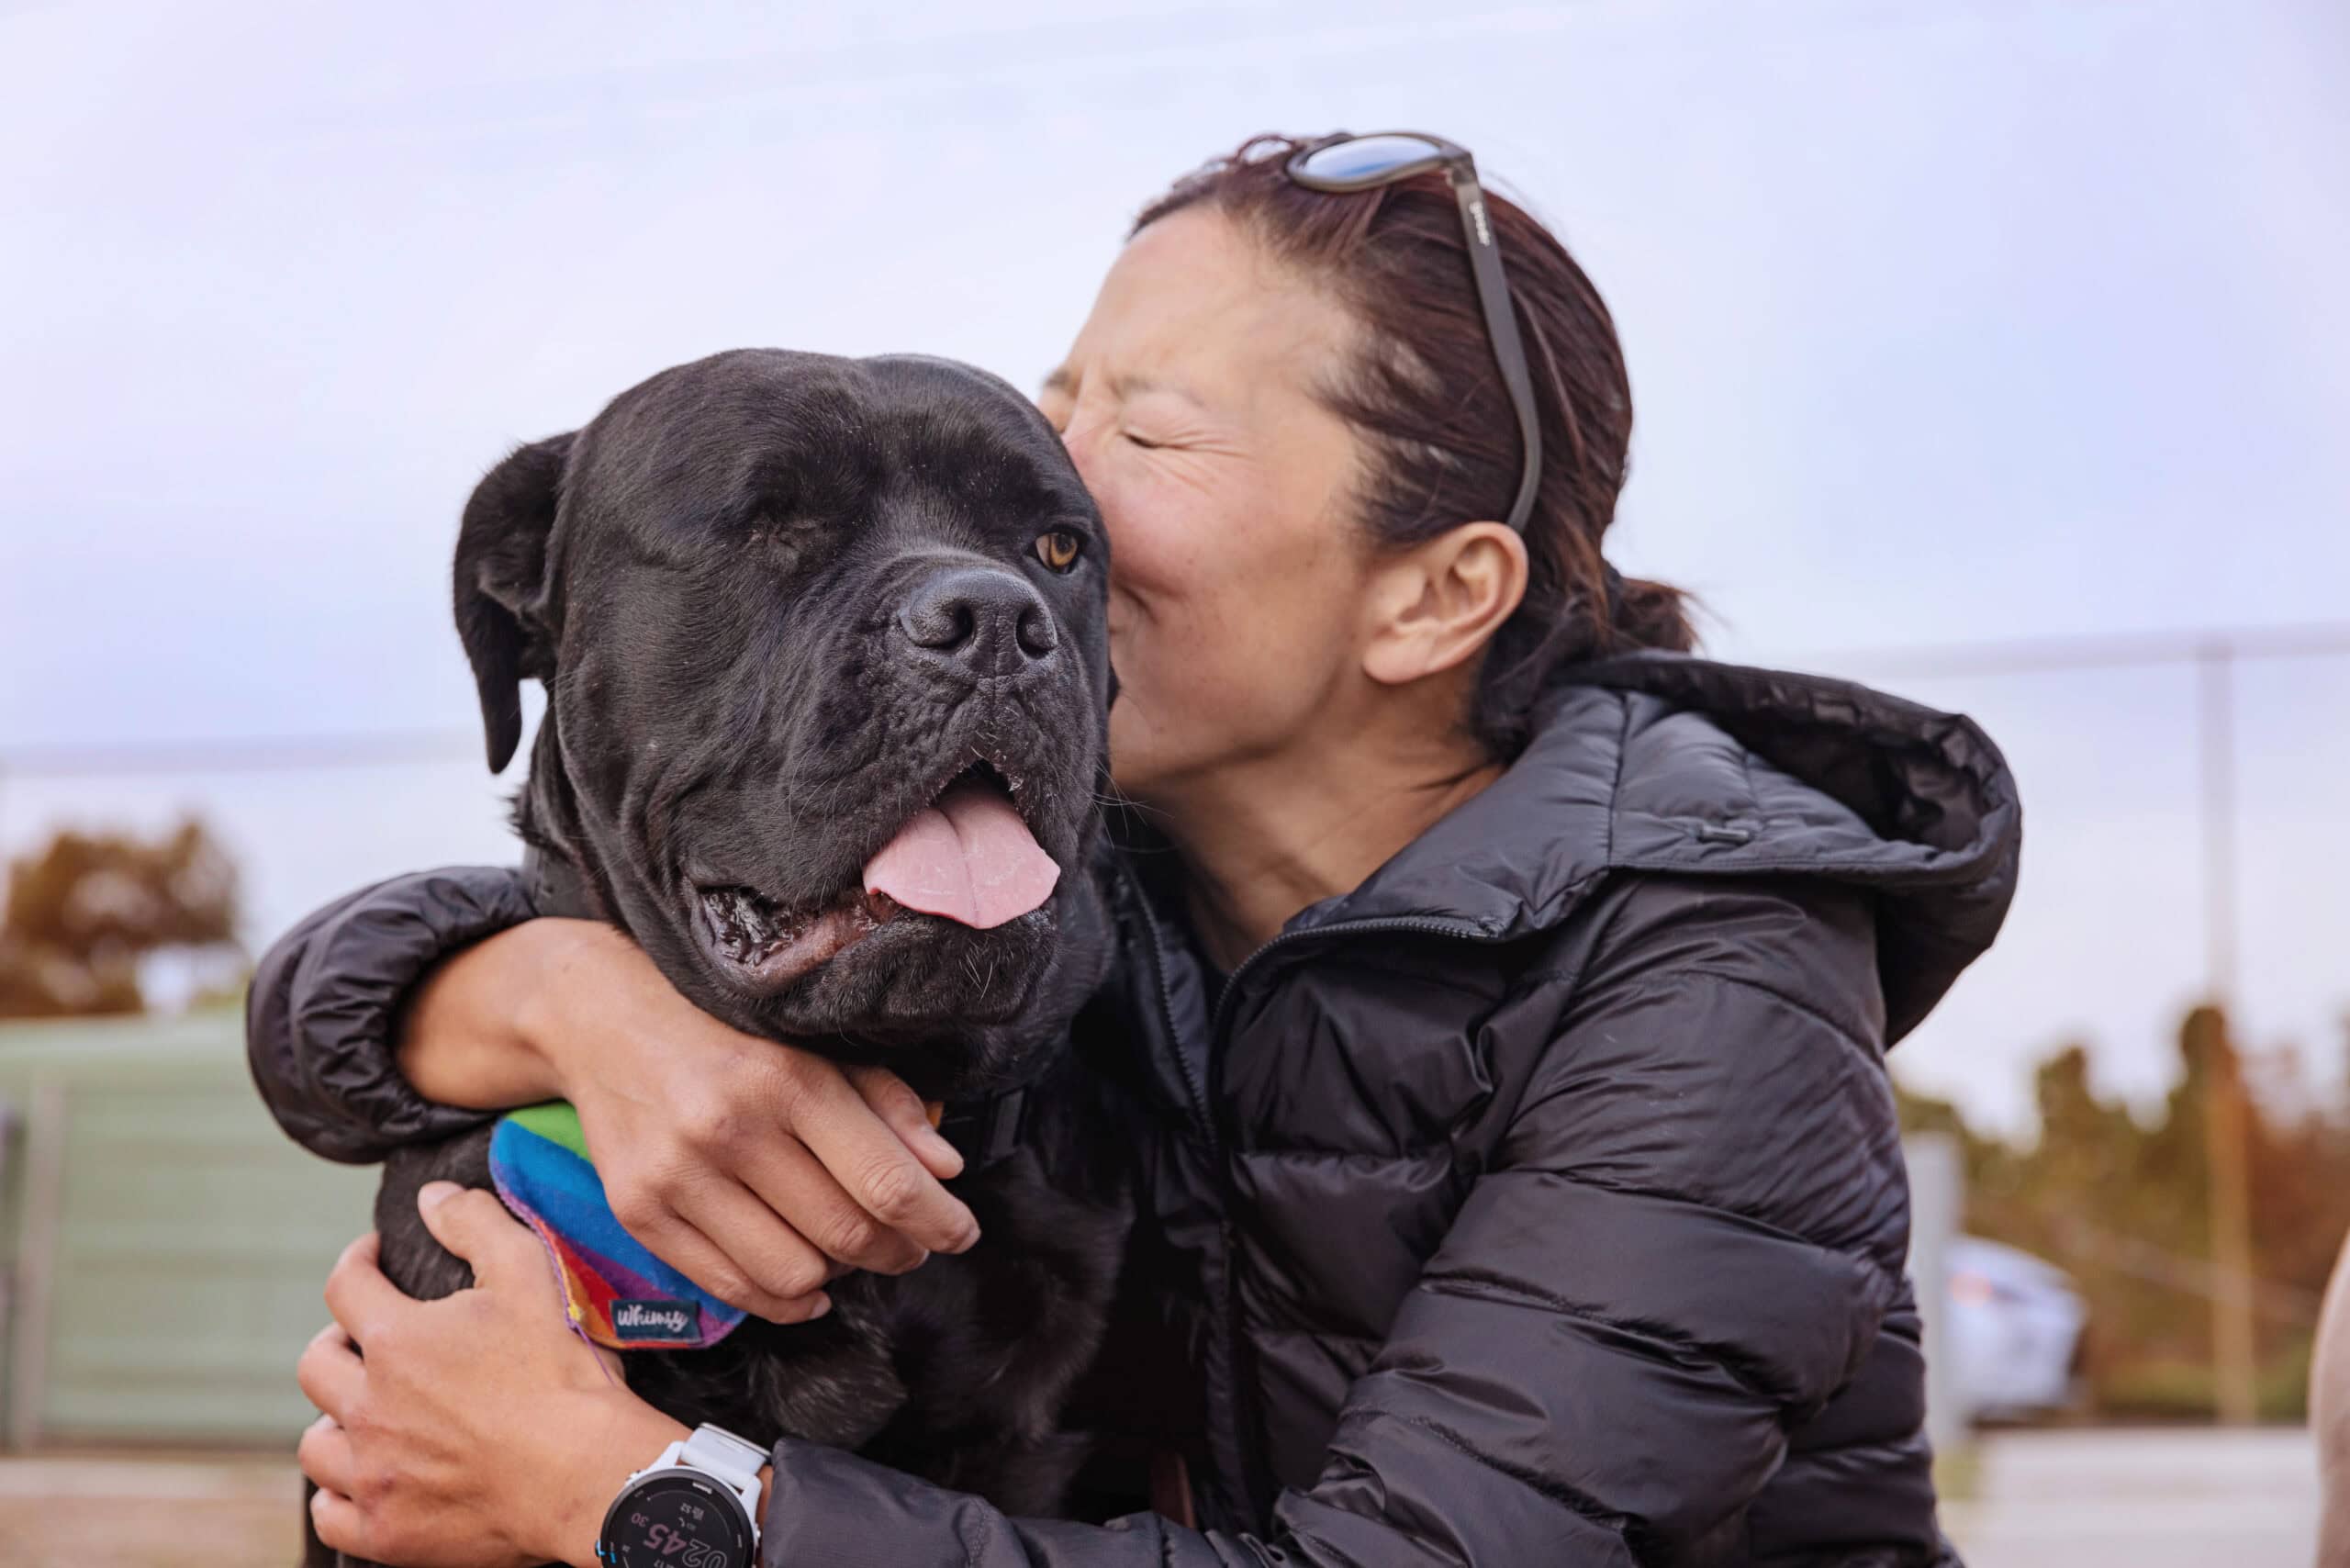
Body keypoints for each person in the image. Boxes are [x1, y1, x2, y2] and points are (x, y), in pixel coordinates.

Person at [250, 131, 2019, 1567]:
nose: (1052, 498)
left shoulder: (1717, 986)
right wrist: (560, 997)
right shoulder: (1074, 874)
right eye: (1061, 399)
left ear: (1434, 595)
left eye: (1148, 433)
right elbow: (325, 996)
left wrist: (635, 1497)